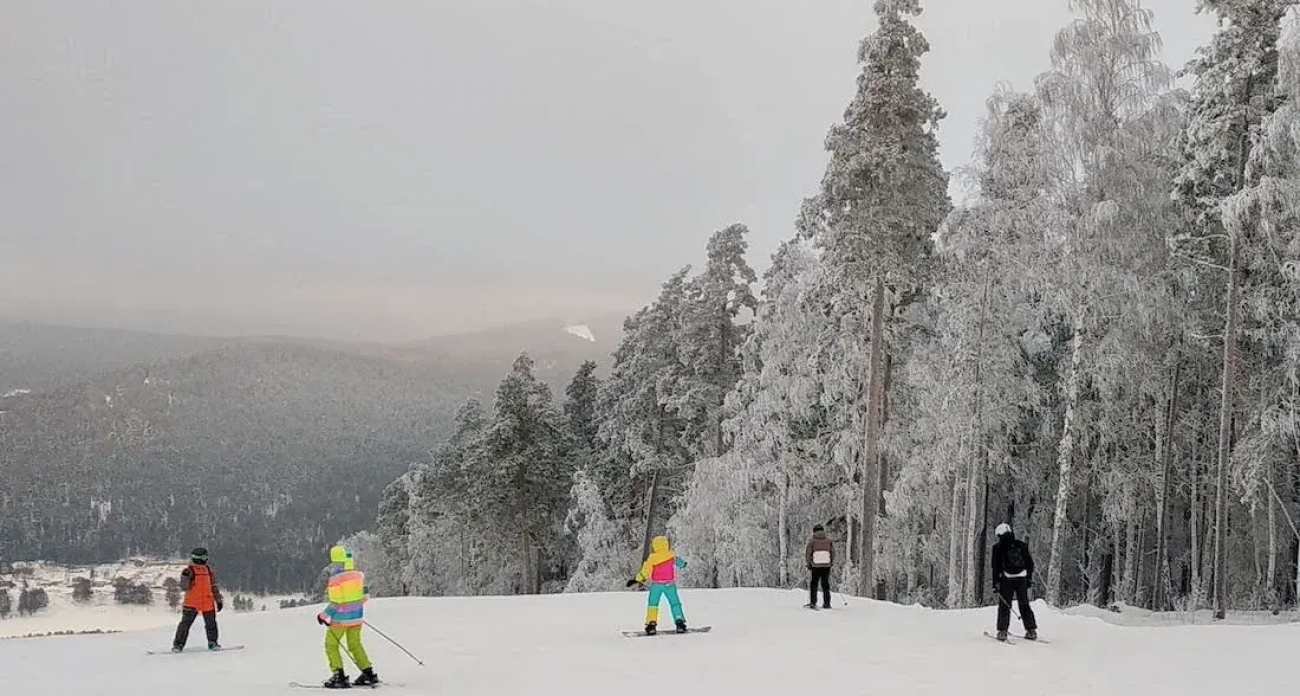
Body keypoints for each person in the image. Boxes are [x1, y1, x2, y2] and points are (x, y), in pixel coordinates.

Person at [317, 545, 379, 688]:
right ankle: (368, 673)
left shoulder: (335, 580)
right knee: (355, 645)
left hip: (340, 620)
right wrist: (353, 609)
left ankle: (339, 676)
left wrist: (323, 616)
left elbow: (336, 603)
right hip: (357, 618)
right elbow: (365, 597)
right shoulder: (359, 576)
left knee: (331, 645)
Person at [626, 535, 688, 635]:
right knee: (675, 603)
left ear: (655, 546)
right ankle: (679, 623)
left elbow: (645, 571)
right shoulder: (671, 556)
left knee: (653, 605)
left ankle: (651, 625)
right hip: (670, 584)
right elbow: (680, 563)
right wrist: (684, 564)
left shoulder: (652, 558)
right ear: (666, 545)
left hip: (656, 585)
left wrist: (636, 579)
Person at [991, 523, 1038, 641]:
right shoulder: (1021, 545)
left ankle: (1002, 631)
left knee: (1005, 605)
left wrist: (995, 583)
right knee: (1024, 603)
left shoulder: (997, 547)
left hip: (1006, 579)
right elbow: (1030, 564)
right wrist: (1028, 579)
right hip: (1022, 577)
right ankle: (1031, 630)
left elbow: (995, 567)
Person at [172, 547, 224, 652]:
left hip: (207, 602)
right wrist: (186, 578)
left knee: (211, 625)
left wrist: (218, 600)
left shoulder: (208, 571)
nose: (206, 559)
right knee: (185, 625)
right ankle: (178, 645)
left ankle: (213, 643)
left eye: (206, 557)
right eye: (204, 557)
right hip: (192, 603)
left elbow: (214, 586)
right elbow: (184, 587)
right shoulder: (189, 571)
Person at [805, 524, 834, 609]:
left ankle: (813, 602)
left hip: (815, 566)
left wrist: (808, 564)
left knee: (814, 584)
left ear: (814, 532)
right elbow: (833, 553)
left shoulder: (812, 542)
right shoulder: (828, 541)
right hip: (826, 565)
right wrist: (831, 563)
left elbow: (808, 554)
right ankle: (827, 603)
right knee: (825, 584)